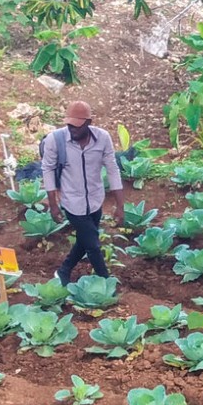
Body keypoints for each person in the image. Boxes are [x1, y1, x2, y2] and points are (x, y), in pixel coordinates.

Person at [43, 101, 124, 285]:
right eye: (69, 124)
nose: (72, 129)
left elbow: (112, 169)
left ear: (89, 122)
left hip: (95, 201)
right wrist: (53, 204)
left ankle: (63, 271)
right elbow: (47, 169)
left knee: (85, 240)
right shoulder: (55, 140)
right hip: (72, 202)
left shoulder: (102, 138)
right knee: (93, 246)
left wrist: (120, 206)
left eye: (77, 126)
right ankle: (106, 283)